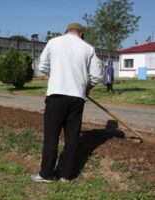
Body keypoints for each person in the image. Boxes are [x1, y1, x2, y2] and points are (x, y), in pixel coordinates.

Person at [31, 23, 102, 183]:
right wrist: (87, 88)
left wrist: (55, 75)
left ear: (67, 32)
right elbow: (97, 76)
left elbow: (42, 66)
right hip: (77, 98)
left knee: (51, 136)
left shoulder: (53, 42)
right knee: (72, 137)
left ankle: (46, 174)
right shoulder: (88, 48)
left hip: (55, 97)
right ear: (81, 33)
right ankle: (67, 175)